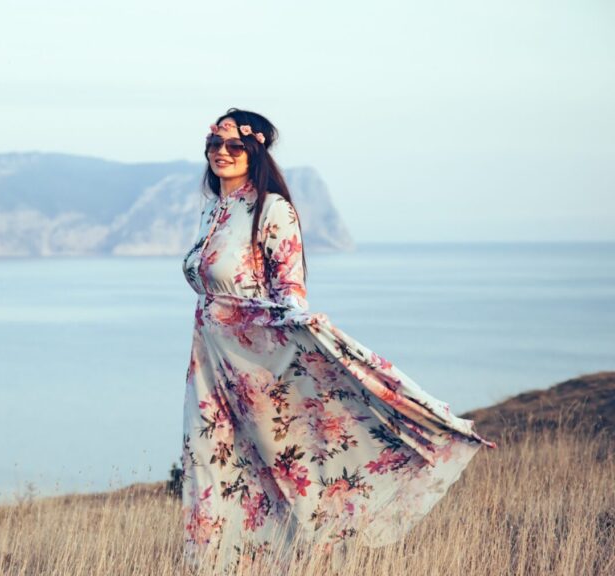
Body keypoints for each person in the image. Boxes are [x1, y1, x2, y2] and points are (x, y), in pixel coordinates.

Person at [180, 108, 497, 573]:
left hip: (258, 362)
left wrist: (299, 321)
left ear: (255, 151)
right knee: (211, 464)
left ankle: (311, 557)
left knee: (286, 465)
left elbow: (289, 288)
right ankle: (216, 564)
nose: (222, 153)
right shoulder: (214, 209)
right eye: (215, 144)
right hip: (211, 359)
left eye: (234, 145)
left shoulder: (272, 208)